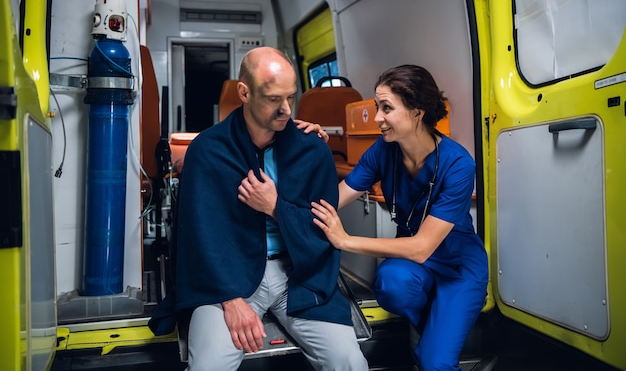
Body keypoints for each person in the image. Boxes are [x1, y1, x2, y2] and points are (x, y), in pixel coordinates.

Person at [149, 47, 368, 371]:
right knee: (209, 366)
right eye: (272, 98)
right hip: (226, 279)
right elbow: (198, 238)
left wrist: (275, 206)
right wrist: (230, 300)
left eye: (290, 98)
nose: (284, 109)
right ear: (244, 92)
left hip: (298, 276)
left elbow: (323, 229)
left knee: (349, 362)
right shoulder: (208, 151)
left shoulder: (312, 150)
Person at [309, 65, 488, 371]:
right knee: (391, 283)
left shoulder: (459, 164)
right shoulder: (383, 150)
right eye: (378, 107)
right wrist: (312, 149)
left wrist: (346, 240)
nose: (377, 117)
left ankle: (435, 347)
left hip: (457, 266)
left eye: (386, 108)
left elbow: (421, 247)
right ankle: (437, 335)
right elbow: (335, 199)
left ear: (417, 113)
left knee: (434, 363)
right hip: (411, 265)